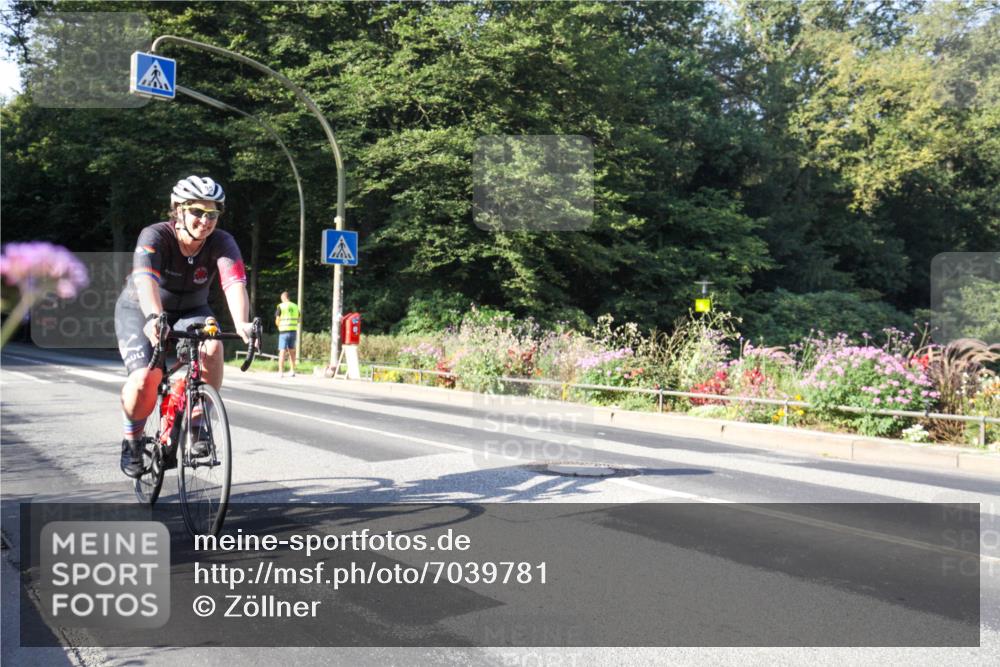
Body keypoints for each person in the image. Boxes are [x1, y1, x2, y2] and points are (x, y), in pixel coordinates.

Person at [115, 176, 253, 477]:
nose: (205, 220)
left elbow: (233, 283)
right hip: (142, 307)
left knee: (213, 346)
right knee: (144, 379)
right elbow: (145, 280)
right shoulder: (155, 235)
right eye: (197, 212)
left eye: (212, 214)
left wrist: (242, 322)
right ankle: (133, 441)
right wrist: (153, 317)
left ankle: (198, 423)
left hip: (192, 309)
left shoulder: (222, 242)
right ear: (178, 210)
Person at [274, 290, 299, 378]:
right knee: (292, 352)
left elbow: (277, 320)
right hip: (293, 331)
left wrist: (279, 326)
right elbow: (298, 320)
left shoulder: (280, 306)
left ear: (283, 298)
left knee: (282, 351)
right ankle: (292, 371)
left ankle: (281, 372)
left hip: (283, 332)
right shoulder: (296, 306)